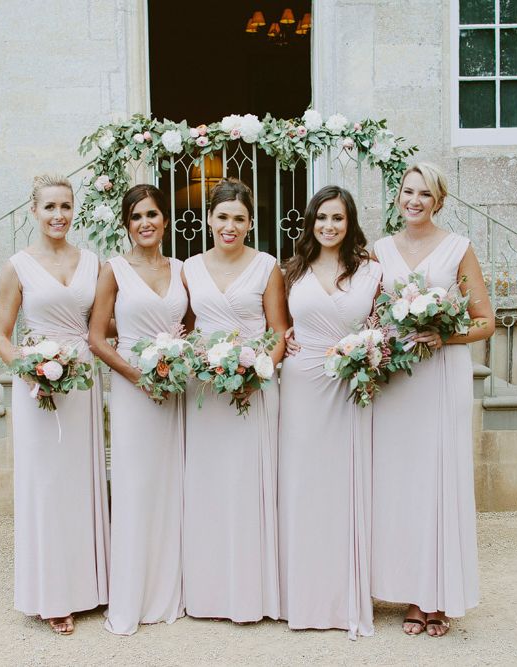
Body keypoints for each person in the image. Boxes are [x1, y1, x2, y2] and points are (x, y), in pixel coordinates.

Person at [370, 162, 494, 637]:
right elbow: (367, 310)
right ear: (398, 197)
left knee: (438, 481)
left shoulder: (458, 248)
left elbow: (485, 321)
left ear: (438, 201)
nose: (414, 200)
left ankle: (436, 597)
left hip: (440, 375)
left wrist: (447, 336)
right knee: (400, 484)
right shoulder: (381, 250)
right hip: (398, 380)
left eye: (424, 193)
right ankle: (406, 591)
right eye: (407, 191)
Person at [0, 174, 110, 636]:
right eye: (49, 207)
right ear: (34, 211)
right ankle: (53, 595)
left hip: (82, 380)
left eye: (66, 206)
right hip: (38, 382)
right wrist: (30, 365)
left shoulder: (93, 262)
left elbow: (102, 323)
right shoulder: (17, 266)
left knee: (82, 481)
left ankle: (91, 586)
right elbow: (1, 336)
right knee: (46, 485)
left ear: (74, 208)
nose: (58, 215)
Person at [181, 178, 288, 622]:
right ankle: (208, 592)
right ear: (209, 218)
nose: (230, 226)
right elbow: (184, 328)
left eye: (239, 219)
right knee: (207, 487)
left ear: (250, 223)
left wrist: (258, 371)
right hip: (205, 392)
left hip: (252, 388)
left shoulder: (267, 266)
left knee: (249, 485)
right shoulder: (187, 268)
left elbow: (279, 331)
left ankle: (252, 591)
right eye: (222, 217)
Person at [278, 185, 380, 640]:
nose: (329, 226)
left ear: (349, 221)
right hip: (301, 384)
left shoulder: (372, 271)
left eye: (337, 218)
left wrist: (369, 350)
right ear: (310, 222)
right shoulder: (292, 270)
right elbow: (275, 326)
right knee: (302, 486)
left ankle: (343, 597)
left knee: (345, 487)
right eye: (321, 217)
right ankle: (300, 596)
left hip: (349, 385)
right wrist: (284, 341)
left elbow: (383, 326)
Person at [88, 184, 187, 635]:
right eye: (135, 216)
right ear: (126, 225)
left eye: (152, 214)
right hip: (133, 389)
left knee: (171, 486)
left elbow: (190, 324)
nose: (145, 223)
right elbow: (95, 336)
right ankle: (130, 596)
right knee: (134, 486)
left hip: (172, 391)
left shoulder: (184, 270)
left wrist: (177, 361)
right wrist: (135, 375)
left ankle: (169, 591)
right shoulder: (113, 270)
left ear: (165, 220)